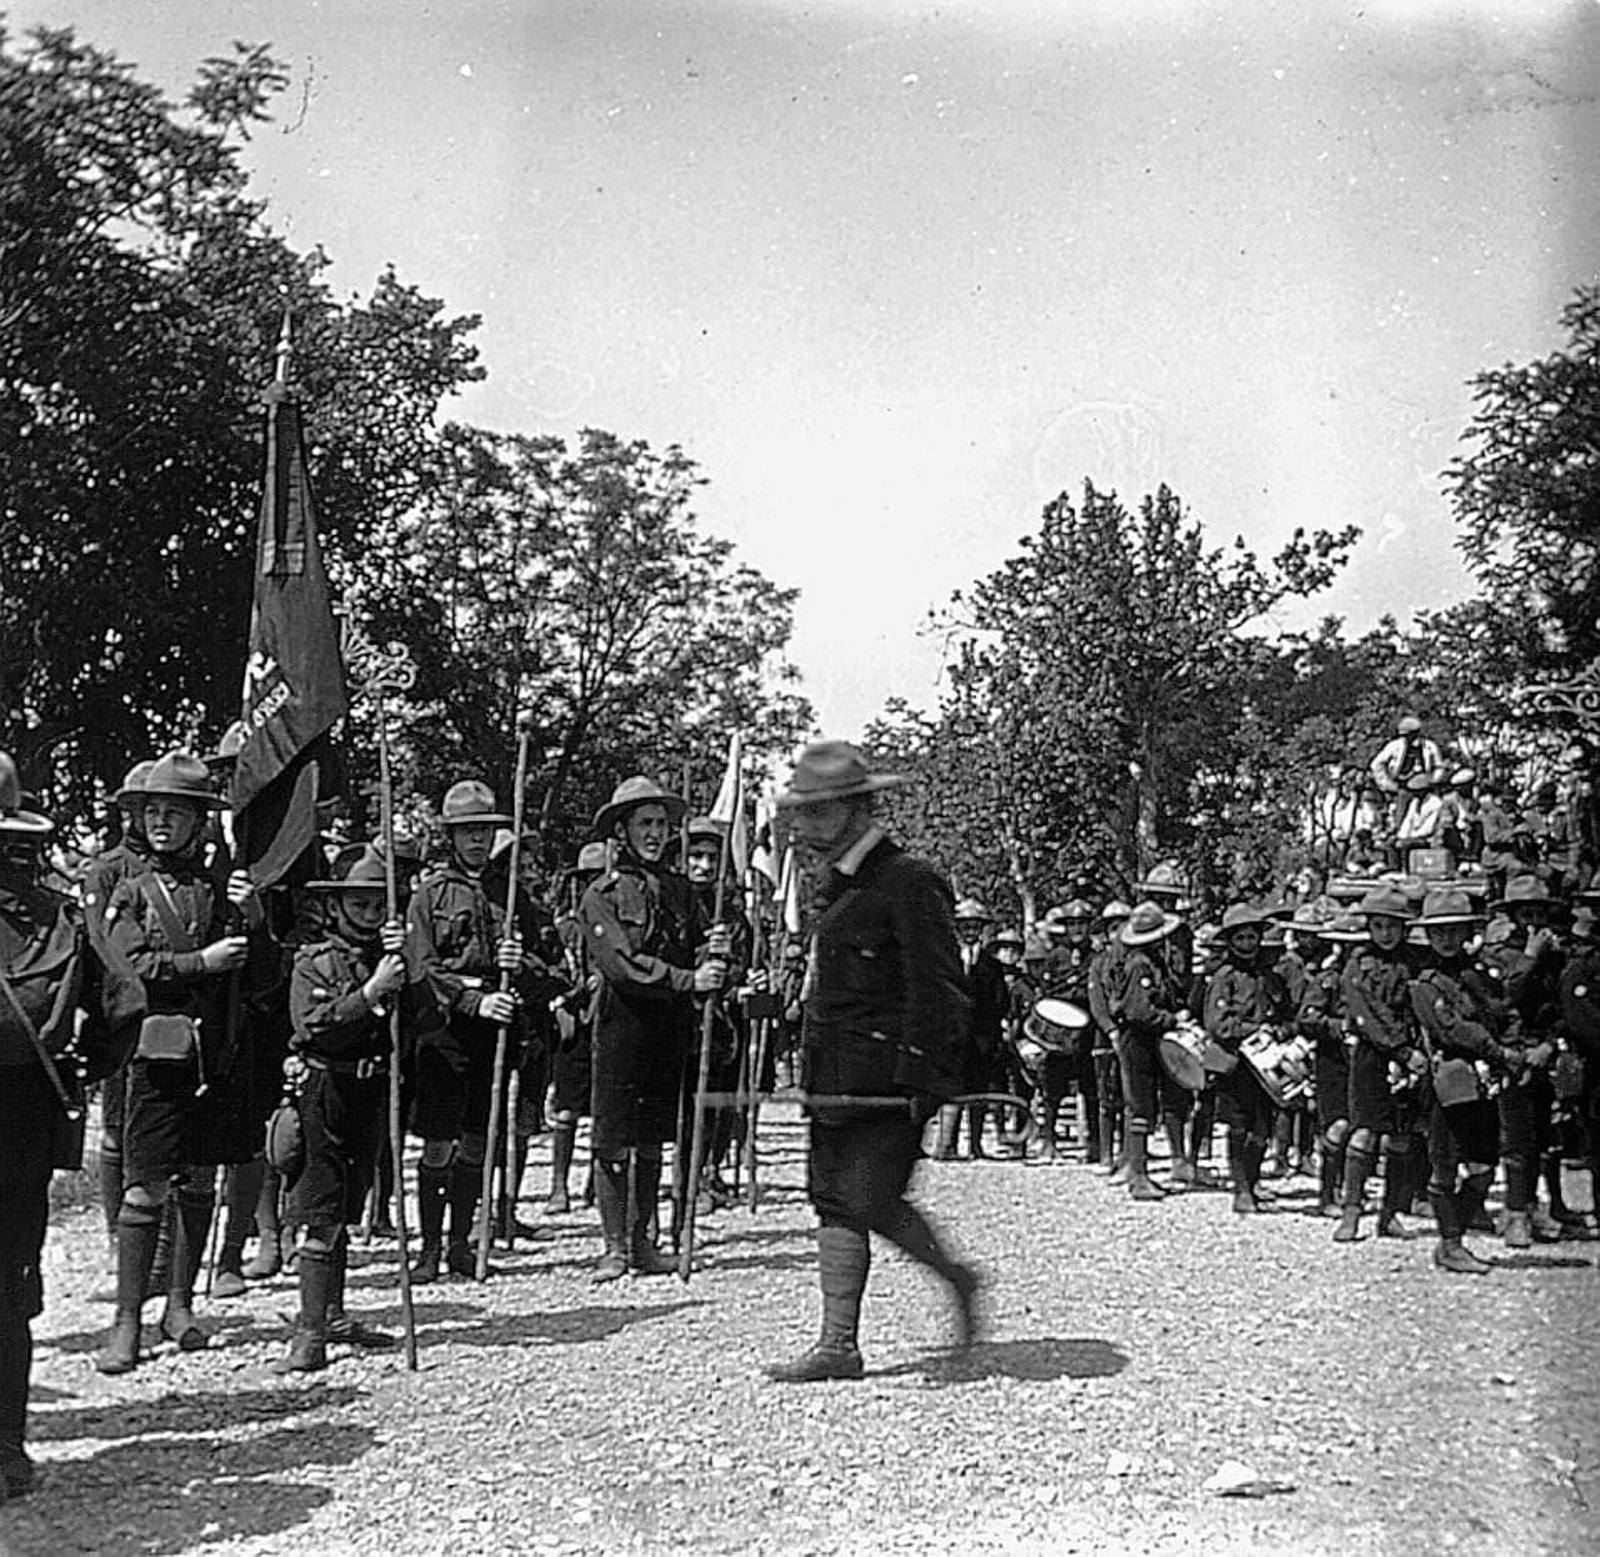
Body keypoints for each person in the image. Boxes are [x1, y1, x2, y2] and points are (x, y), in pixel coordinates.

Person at [765, 741, 979, 1383]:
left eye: (813, 814)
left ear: (854, 809)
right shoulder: (838, 886)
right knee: (831, 1197)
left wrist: (923, 1079)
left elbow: (939, 989)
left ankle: (958, 1280)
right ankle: (838, 1345)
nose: (799, 828)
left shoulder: (908, 882)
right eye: (797, 814)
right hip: (834, 1076)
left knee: (871, 1197)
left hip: (890, 1081)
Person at [0, 751, 143, 1497]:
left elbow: (124, 1001)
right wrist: (83, 1068)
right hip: (22, 1125)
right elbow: (124, 1005)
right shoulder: (58, 912)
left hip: (20, 1129)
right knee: (9, 1287)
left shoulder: (62, 913)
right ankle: (5, 1452)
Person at [98, 751, 266, 1374]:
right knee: (145, 1188)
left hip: (214, 1056)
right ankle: (126, 1322)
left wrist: (252, 920)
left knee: (199, 1181)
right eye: (153, 811)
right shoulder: (130, 890)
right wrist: (201, 964)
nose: (162, 821)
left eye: (177, 811)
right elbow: (127, 968)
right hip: (156, 1058)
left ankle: (180, 1305)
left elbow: (263, 979)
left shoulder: (222, 891)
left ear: (201, 821)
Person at [274, 848, 437, 1371]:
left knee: (348, 1206)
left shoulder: (394, 962)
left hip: (374, 1091)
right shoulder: (314, 959)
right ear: (338, 905)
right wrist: (369, 994)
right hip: (325, 1089)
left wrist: (405, 972)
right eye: (358, 903)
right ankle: (309, 1331)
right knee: (319, 1210)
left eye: (377, 905)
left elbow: (427, 1020)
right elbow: (313, 1024)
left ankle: (334, 1314)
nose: (368, 913)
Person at [581, 777, 723, 1282]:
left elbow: (698, 946)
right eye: (646, 824)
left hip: (669, 1023)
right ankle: (614, 1247)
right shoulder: (602, 894)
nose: (656, 834)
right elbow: (622, 964)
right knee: (613, 1136)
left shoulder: (683, 891)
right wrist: (689, 978)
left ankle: (645, 1243)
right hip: (623, 1021)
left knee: (653, 1138)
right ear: (622, 831)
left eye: (662, 825)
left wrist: (714, 953)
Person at [406, 779, 531, 1283]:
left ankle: (463, 1242)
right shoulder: (430, 894)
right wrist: (471, 1000)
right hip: (444, 1026)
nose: (477, 840)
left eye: (483, 830)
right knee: (438, 1142)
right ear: (450, 837)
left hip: (495, 1026)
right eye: (467, 832)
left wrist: (520, 962)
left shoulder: (511, 891)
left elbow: (550, 960)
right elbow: (422, 966)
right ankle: (429, 1248)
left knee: (480, 1140)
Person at [1408, 886, 1520, 1275]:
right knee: (1445, 1163)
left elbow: (1501, 1010)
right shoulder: (1425, 983)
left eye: (1455, 931)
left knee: (1485, 1163)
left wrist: (1511, 1043)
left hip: (1482, 1079)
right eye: (1439, 932)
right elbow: (1451, 1029)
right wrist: (1497, 1050)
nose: (1447, 939)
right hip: (1449, 1080)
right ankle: (1451, 1244)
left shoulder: (1477, 974)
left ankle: (1454, 1228)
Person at [1334, 886, 1425, 1243]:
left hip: (1411, 1059)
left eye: (1393, 926)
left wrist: (1412, 1053)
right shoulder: (1358, 965)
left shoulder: (1415, 962)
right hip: (1373, 1056)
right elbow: (1365, 1014)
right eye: (1378, 926)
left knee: (1401, 1137)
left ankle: (1390, 1213)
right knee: (1364, 1131)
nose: (1385, 933)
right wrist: (1400, 1051)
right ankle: (1352, 1211)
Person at [1482, 874, 1565, 1246]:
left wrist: (1551, 1043)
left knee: (1542, 1136)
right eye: (1525, 913)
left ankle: (1534, 1206)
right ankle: (1514, 1212)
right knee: (1515, 1137)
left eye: (1539, 913)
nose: (1534, 921)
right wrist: (1531, 956)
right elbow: (1504, 1000)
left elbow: (1563, 1006)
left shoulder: (1557, 956)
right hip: (1512, 1053)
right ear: (1513, 916)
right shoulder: (1500, 955)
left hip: (1543, 1051)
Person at [1204, 902, 1293, 1215]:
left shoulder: (1269, 977)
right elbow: (1218, 1025)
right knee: (1239, 1125)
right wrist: (1256, 1029)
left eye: (1251, 937)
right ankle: (1240, 1188)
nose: (1246, 944)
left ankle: (1253, 1180)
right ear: (1230, 941)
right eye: (1239, 938)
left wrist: (1280, 1031)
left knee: (1262, 1128)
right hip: (1236, 1063)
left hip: (1266, 1064)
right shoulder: (1224, 978)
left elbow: (1285, 1014)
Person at [1108, 900, 1188, 1200]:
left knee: (1145, 1103)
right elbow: (1139, 1011)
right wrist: (1171, 1019)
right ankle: (1138, 1175)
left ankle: (1139, 1170)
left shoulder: (1150, 960)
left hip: (1148, 1038)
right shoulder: (1140, 964)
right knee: (1140, 1104)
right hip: (1139, 1039)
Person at [546, 840, 607, 1214]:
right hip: (575, 1025)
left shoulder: (617, 924)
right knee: (567, 1111)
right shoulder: (565, 928)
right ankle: (558, 1186)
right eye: (586, 880)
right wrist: (569, 993)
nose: (591, 887)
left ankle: (595, 1184)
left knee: (605, 1109)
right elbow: (550, 970)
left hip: (610, 1023)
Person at [933, 898, 1008, 1161]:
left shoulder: (992, 965)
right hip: (952, 1037)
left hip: (981, 1038)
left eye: (975, 927)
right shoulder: (944, 960)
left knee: (979, 1090)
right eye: (965, 926)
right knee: (951, 1090)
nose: (970, 932)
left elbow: (1001, 1002)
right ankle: (946, 1144)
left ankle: (975, 1145)